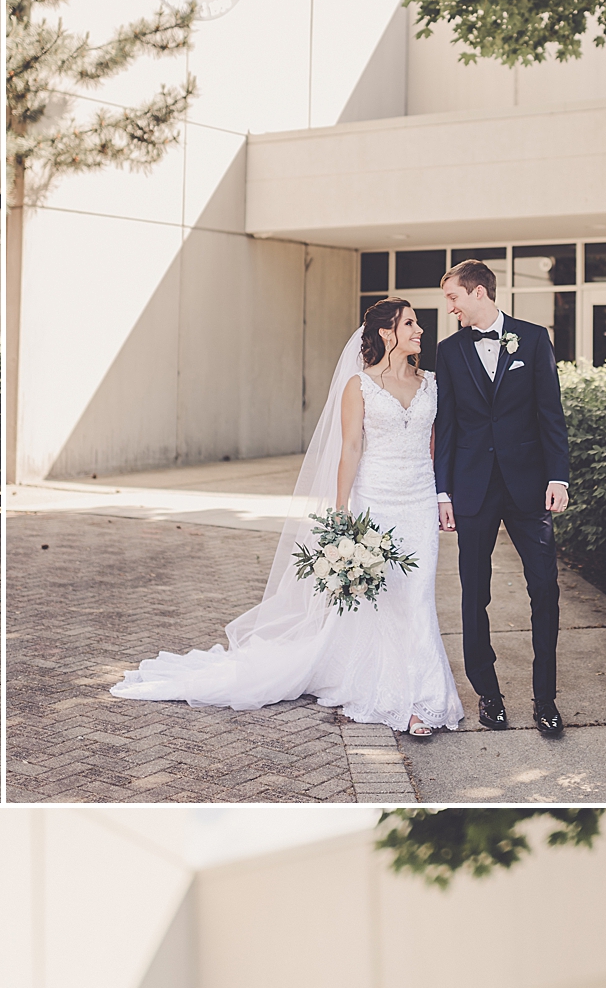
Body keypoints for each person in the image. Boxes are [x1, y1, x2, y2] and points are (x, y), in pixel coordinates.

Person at [110, 300, 462, 737]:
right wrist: (340, 513)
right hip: (377, 502)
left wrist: (442, 495)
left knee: (418, 597)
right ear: (387, 333)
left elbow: (436, 444)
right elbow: (350, 448)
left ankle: (425, 696)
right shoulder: (360, 386)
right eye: (410, 322)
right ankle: (404, 699)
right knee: (387, 600)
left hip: (420, 501)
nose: (420, 329)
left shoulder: (430, 383)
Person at [434, 259, 571, 738]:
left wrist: (559, 478)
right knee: (475, 594)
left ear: (477, 292)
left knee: (545, 591)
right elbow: (446, 427)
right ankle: (488, 696)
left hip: (528, 486)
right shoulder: (448, 351)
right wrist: (443, 491)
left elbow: (549, 413)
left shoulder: (532, 339)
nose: (449, 307)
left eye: (453, 297)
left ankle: (546, 700)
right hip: (472, 488)